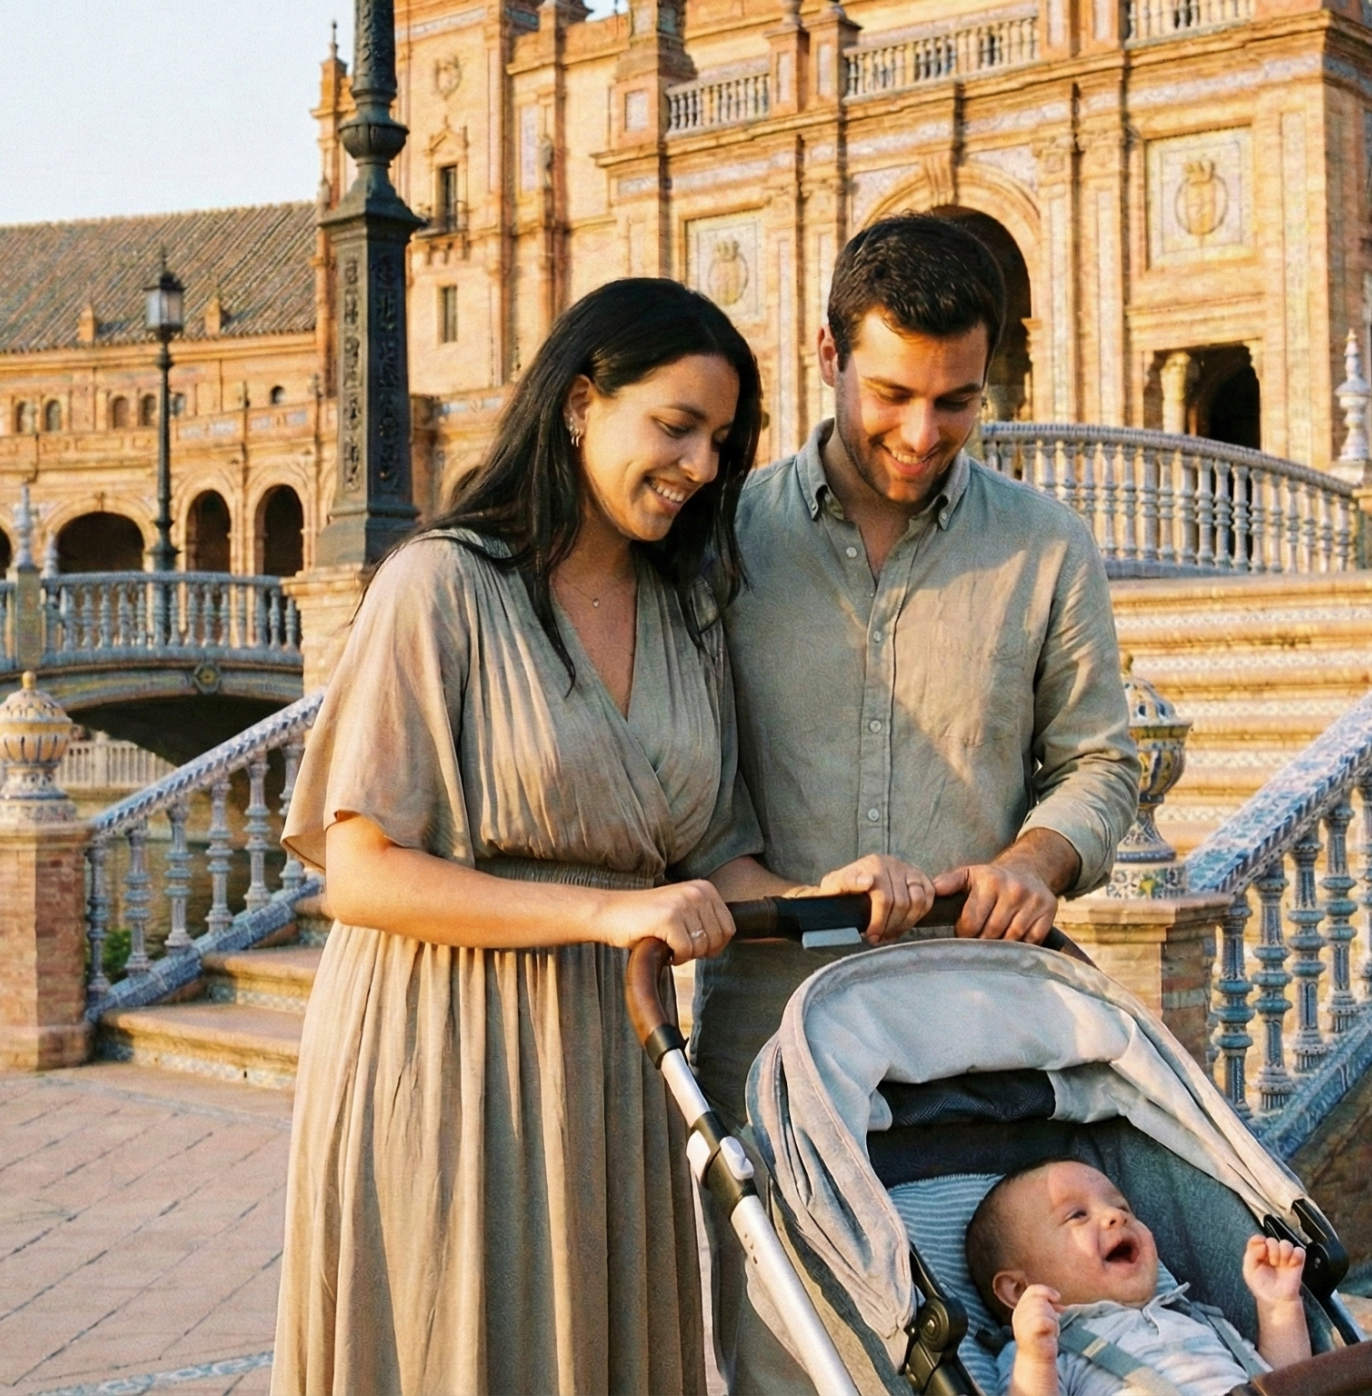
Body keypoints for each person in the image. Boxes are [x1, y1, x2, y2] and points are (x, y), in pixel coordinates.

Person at [271, 278, 817, 1396]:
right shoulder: (440, 583)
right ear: (579, 402)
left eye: (721, 440)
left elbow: (714, 859)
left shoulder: (686, 615)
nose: (702, 467)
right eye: (675, 426)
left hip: (620, 1064)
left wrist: (830, 896)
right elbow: (360, 874)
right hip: (443, 1045)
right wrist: (607, 913)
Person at [683, 214, 1143, 1392]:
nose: (921, 432)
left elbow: (1100, 762)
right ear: (824, 354)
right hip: (768, 1018)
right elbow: (682, 774)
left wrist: (1034, 862)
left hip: (974, 1023)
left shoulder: (1045, 545)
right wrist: (796, 895)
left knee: (974, 1351)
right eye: (891, 392)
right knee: (779, 1353)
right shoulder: (720, 536)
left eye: (957, 402)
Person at [965, 1160, 1312, 1396]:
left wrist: (1279, 1306)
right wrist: (1035, 1358)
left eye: (1123, 1207)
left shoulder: (1194, 1320)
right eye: (1077, 1215)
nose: (1115, 1216)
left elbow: (1287, 1384)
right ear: (1019, 1289)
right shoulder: (1043, 1351)